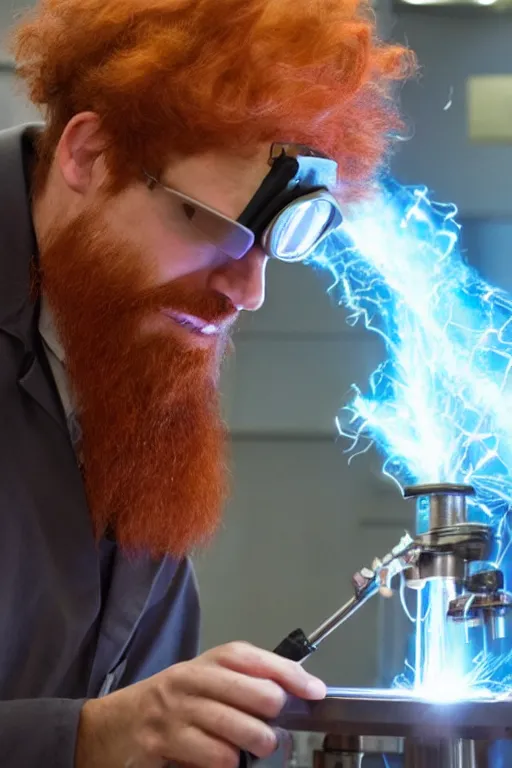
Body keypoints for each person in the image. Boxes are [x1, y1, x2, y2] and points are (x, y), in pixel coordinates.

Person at [0, 0, 413, 765]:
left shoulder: (131, 350)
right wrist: (82, 739)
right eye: (210, 224)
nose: (247, 291)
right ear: (89, 156)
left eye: (270, 247)